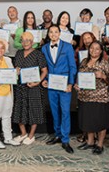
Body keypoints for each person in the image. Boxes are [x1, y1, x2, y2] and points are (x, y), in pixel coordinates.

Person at [41, 25, 77, 154]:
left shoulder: (67, 46)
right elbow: (44, 67)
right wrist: (44, 79)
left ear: (60, 33)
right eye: (51, 32)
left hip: (64, 85)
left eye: (56, 32)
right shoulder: (44, 48)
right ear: (48, 34)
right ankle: (57, 135)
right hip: (51, 85)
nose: (53, 34)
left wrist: (71, 83)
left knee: (65, 112)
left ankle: (65, 140)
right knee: (55, 111)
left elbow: (73, 66)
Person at [74, 41, 109, 155]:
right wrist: (77, 85)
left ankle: (100, 144)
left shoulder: (105, 64)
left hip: (100, 97)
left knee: (101, 121)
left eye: (97, 49)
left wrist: (103, 76)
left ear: (101, 51)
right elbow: (79, 77)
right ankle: (90, 141)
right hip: (85, 97)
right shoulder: (84, 62)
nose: (94, 51)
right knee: (88, 121)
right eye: (92, 48)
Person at [12, 32, 48, 145]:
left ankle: (31, 135)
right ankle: (23, 133)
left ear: (32, 42)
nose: (25, 43)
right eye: (23, 40)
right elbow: (15, 69)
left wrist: (37, 82)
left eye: (28, 40)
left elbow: (44, 71)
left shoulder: (38, 54)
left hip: (34, 88)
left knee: (34, 111)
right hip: (20, 87)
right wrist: (16, 71)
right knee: (19, 110)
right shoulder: (18, 53)